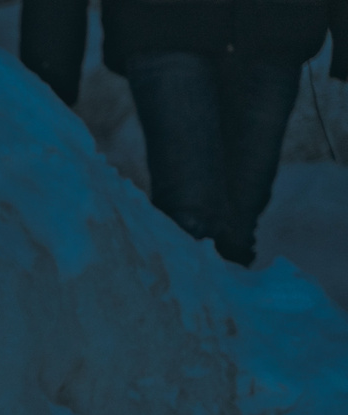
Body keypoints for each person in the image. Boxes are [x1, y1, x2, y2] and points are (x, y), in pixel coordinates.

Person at [23, 0, 348, 265]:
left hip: (276, 32)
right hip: (163, 27)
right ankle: (181, 331)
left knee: (237, 226)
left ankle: (223, 334)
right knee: (190, 215)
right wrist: (48, 69)